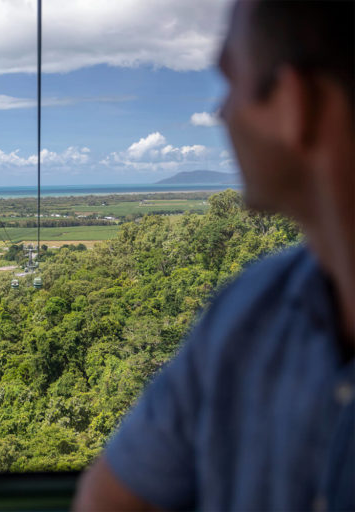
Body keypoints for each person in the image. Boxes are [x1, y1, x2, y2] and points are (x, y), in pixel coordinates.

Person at [74, 0, 353, 510]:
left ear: (295, 104)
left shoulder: (249, 319)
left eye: (232, 82)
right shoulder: (248, 310)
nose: (222, 112)